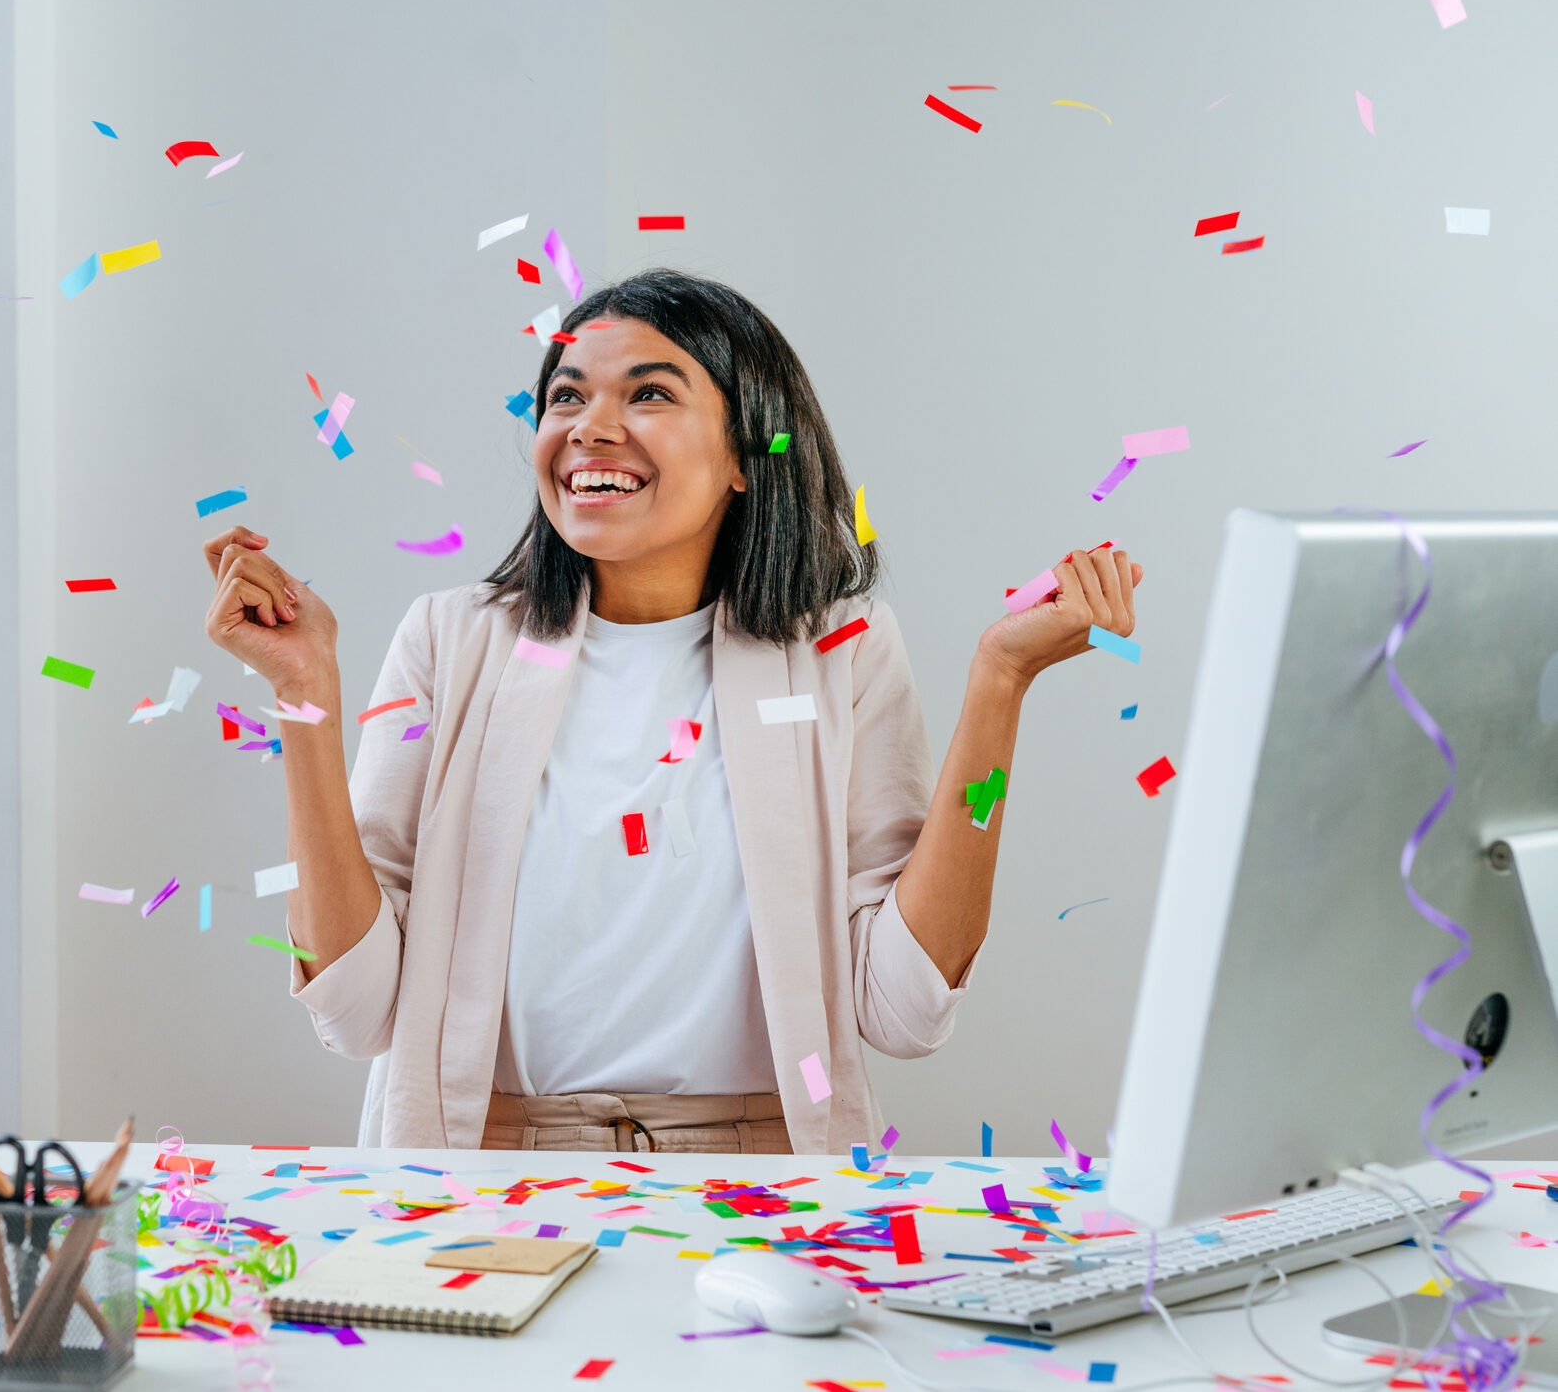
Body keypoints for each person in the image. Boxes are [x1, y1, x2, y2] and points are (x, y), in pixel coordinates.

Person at [201, 268, 1143, 1156]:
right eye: (566, 396)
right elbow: (354, 1010)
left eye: (648, 395)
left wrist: (1000, 684)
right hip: (483, 1171)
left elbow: (903, 1008)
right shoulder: (450, 640)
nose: (590, 427)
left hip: (766, 1176)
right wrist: (302, 695)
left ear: (747, 454)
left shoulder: (841, 649)